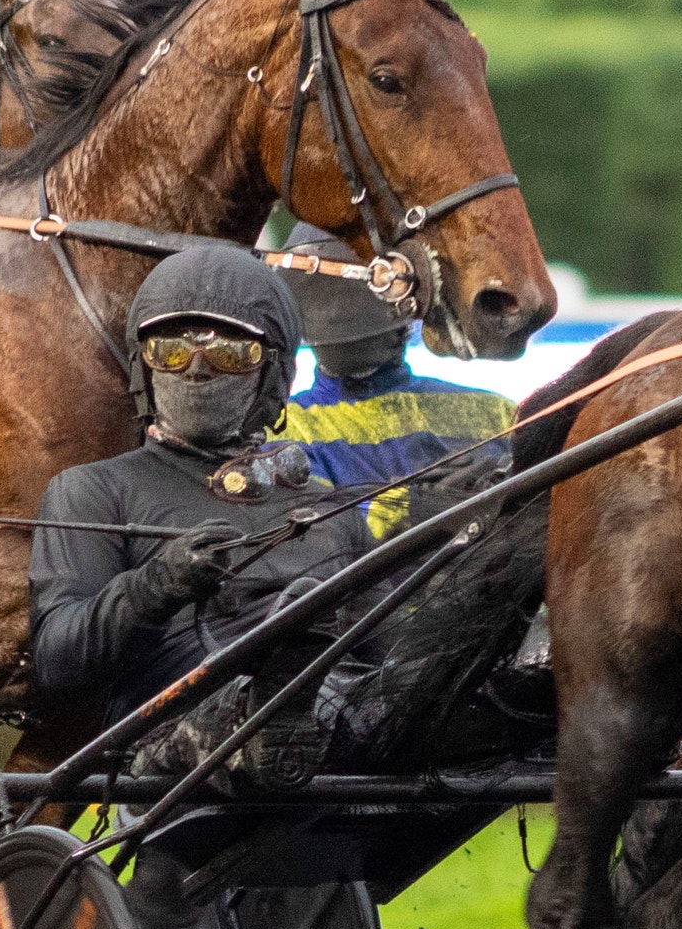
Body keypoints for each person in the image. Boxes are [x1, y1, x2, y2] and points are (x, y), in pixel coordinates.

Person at [29, 246, 374, 731]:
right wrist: (152, 589)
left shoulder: (328, 507)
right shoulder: (93, 490)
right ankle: (263, 705)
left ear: (272, 373)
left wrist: (468, 529)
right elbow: (57, 662)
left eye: (231, 352)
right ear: (142, 367)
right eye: (169, 350)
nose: (196, 368)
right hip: (181, 756)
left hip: (343, 744)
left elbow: (391, 656)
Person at [276, 242, 515, 534]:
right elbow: (316, 536)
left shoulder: (498, 413)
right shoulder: (286, 428)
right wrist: (407, 507)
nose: (394, 326)